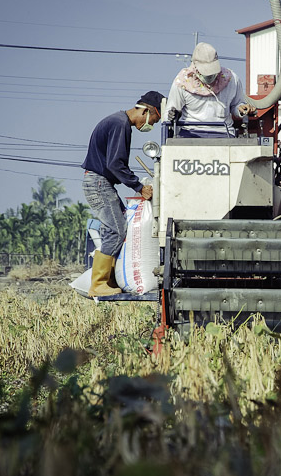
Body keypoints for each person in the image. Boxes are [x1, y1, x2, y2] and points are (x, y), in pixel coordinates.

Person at [81, 91, 164, 297]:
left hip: (100, 181)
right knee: (117, 231)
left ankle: (107, 280)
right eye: (154, 119)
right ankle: (98, 284)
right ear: (146, 110)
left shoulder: (117, 121)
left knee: (113, 230)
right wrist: (139, 187)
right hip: (99, 183)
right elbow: (115, 163)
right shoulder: (121, 124)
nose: (151, 125)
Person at [165, 42, 255, 137]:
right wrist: (173, 115)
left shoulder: (231, 79)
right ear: (195, 65)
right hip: (190, 132)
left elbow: (237, 105)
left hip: (224, 133)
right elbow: (170, 110)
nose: (209, 75)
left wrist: (241, 109)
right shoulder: (183, 81)